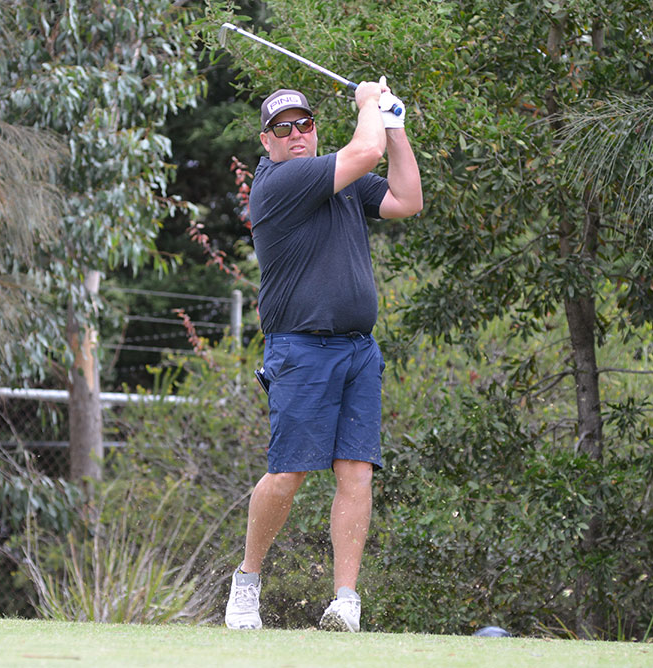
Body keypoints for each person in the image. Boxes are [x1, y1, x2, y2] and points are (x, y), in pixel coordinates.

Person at [225, 79, 423, 632]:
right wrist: (368, 105)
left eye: (305, 124)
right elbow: (364, 150)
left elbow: (407, 200)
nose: (296, 134)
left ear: (315, 129)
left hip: (357, 349)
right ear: (267, 141)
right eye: (282, 128)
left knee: (356, 472)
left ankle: (345, 601)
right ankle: (247, 581)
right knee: (288, 474)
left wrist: (395, 125)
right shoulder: (279, 182)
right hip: (300, 348)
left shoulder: (342, 181)